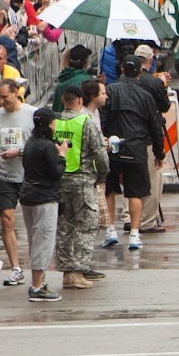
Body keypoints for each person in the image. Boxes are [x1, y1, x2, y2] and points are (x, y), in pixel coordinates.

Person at [103, 56, 166, 253]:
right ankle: (135, 233)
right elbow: (155, 126)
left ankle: (110, 229)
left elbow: (102, 118)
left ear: (121, 69)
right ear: (140, 71)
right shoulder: (145, 96)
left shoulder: (110, 91)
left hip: (112, 146)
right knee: (135, 191)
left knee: (109, 188)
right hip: (136, 147)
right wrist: (159, 152)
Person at [52, 80, 108, 290]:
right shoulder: (85, 121)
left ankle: (67, 273)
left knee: (64, 228)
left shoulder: (55, 122)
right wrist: (102, 175)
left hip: (60, 180)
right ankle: (78, 271)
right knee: (85, 227)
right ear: (80, 101)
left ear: (63, 100)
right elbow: (99, 153)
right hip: (83, 182)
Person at [0, 78, 35, 287]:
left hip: (30, 175)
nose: (2, 101)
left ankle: (37, 267)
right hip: (3, 176)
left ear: (17, 92)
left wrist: (20, 152)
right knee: (7, 219)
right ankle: (16, 268)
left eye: (5, 97)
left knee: (34, 224)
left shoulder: (32, 114)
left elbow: (42, 143)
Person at [20, 106, 64, 301]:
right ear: (50, 124)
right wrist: (62, 155)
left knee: (34, 240)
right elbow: (56, 172)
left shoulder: (30, 142)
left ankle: (39, 281)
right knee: (43, 241)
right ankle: (37, 287)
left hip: (28, 195)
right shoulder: (47, 146)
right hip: (44, 197)